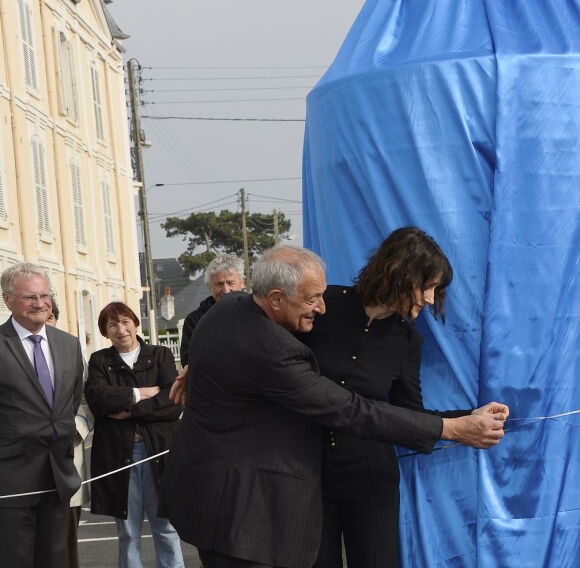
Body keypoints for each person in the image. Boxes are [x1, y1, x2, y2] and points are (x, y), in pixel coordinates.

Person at [161, 245, 508, 568]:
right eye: (426, 286)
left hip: (354, 482)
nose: (321, 307)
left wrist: (462, 420)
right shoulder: (286, 335)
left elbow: (405, 411)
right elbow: (347, 408)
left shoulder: (234, 309)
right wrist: (453, 430)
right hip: (268, 498)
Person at [298, 226, 493, 568]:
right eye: (427, 286)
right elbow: (267, 342)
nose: (431, 299)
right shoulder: (324, 304)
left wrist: (469, 416)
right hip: (306, 476)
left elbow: (410, 415)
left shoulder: (407, 341)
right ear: (400, 273)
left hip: (371, 481)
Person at [85, 302, 184, 568]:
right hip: (118, 454)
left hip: (159, 450)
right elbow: (98, 400)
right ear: (105, 332)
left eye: (125, 322)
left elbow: (174, 402)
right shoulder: (100, 361)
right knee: (128, 533)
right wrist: (143, 393)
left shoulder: (161, 355)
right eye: (112, 325)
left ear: (135, 324)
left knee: (166, 527)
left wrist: (129, 410)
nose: (121, 329)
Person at [0, 263, 84, 568]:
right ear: (7, 299)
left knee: (56, 560)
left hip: (58, 478)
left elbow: (70, 404)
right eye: (30, 297)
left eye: (44, 296)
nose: (40, 303)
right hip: (10, 481)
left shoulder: (68, 344)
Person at [47, 299, 94, 568]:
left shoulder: (72, 351)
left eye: (52, 315)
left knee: (67, 537)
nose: (46, 320)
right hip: (25, 464)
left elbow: (87, 400)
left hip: (67, 454)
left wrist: (73, 430)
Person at [179, 253, 245, 365]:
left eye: (231, 283)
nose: (226, 290)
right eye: (219, 284)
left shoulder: (258, 313)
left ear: (243, 283)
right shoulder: (195, 321)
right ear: (210, 287)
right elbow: (188, 361)